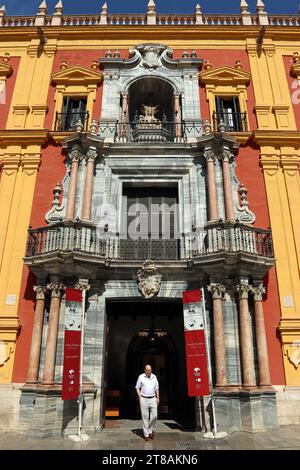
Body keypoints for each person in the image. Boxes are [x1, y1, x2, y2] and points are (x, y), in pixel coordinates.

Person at [135, 364, 159, 441]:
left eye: (150, 370)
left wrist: (158, 398)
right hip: (144, 399)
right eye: (148, 370)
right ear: (145, 370)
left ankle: (150, 430)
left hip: (153, 399)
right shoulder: (141, 377)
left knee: (154, 416)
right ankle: (146, 434)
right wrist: (140, 397)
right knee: (145, 417)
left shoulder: (154, 377)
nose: (149, 371)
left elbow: (157, 388)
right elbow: (137, 387)